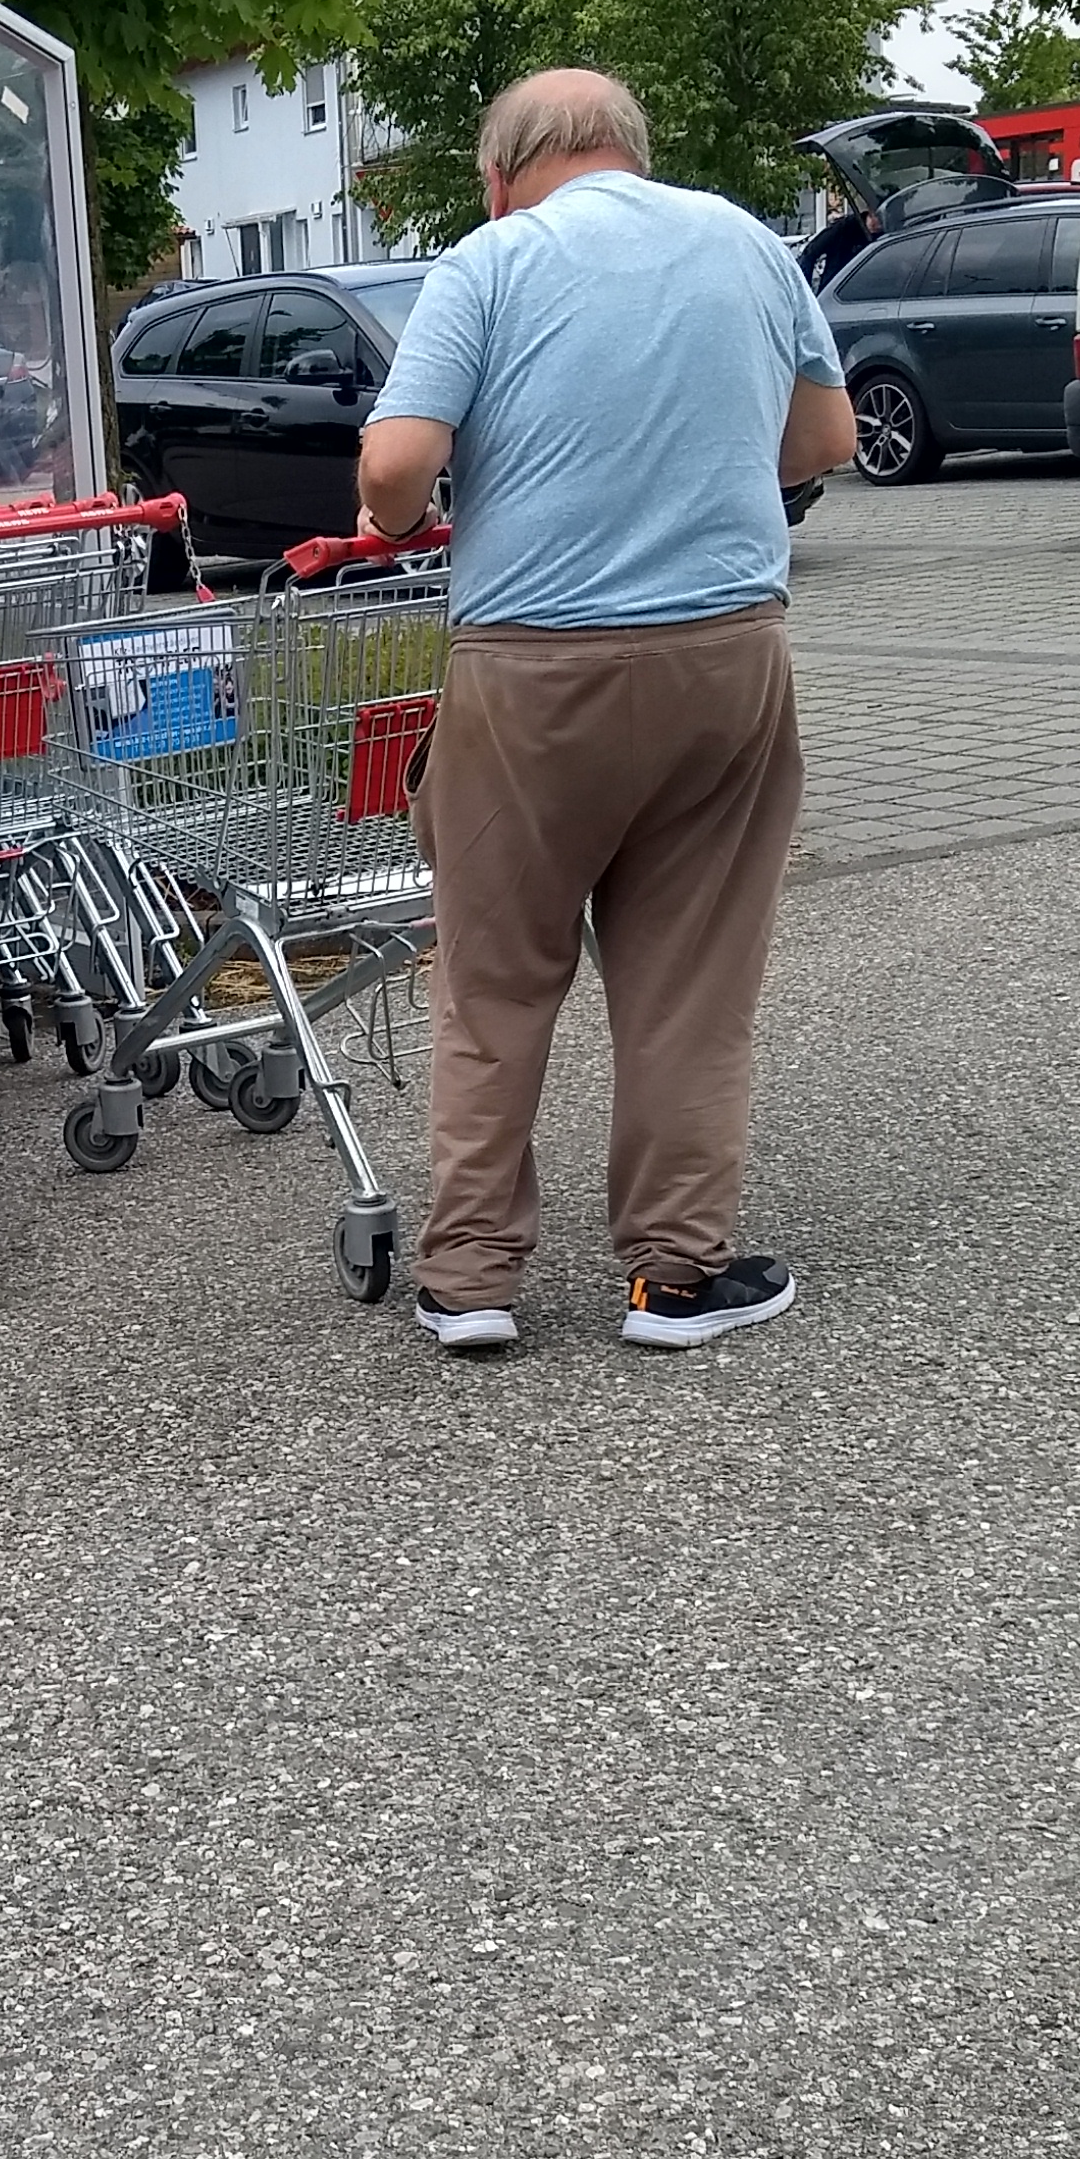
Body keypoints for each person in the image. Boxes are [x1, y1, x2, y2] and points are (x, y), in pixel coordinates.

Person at [354, 66, 856, 1356]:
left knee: (497, 979)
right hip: (724, 660)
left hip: (530, 672)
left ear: (498, 170)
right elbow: (825, 439)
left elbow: (399, 466)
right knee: (689, 981)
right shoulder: (749, 243)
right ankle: (676, 1281)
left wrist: (399, 516)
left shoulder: (488, 262)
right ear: (634, 152)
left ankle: (470, 1280)